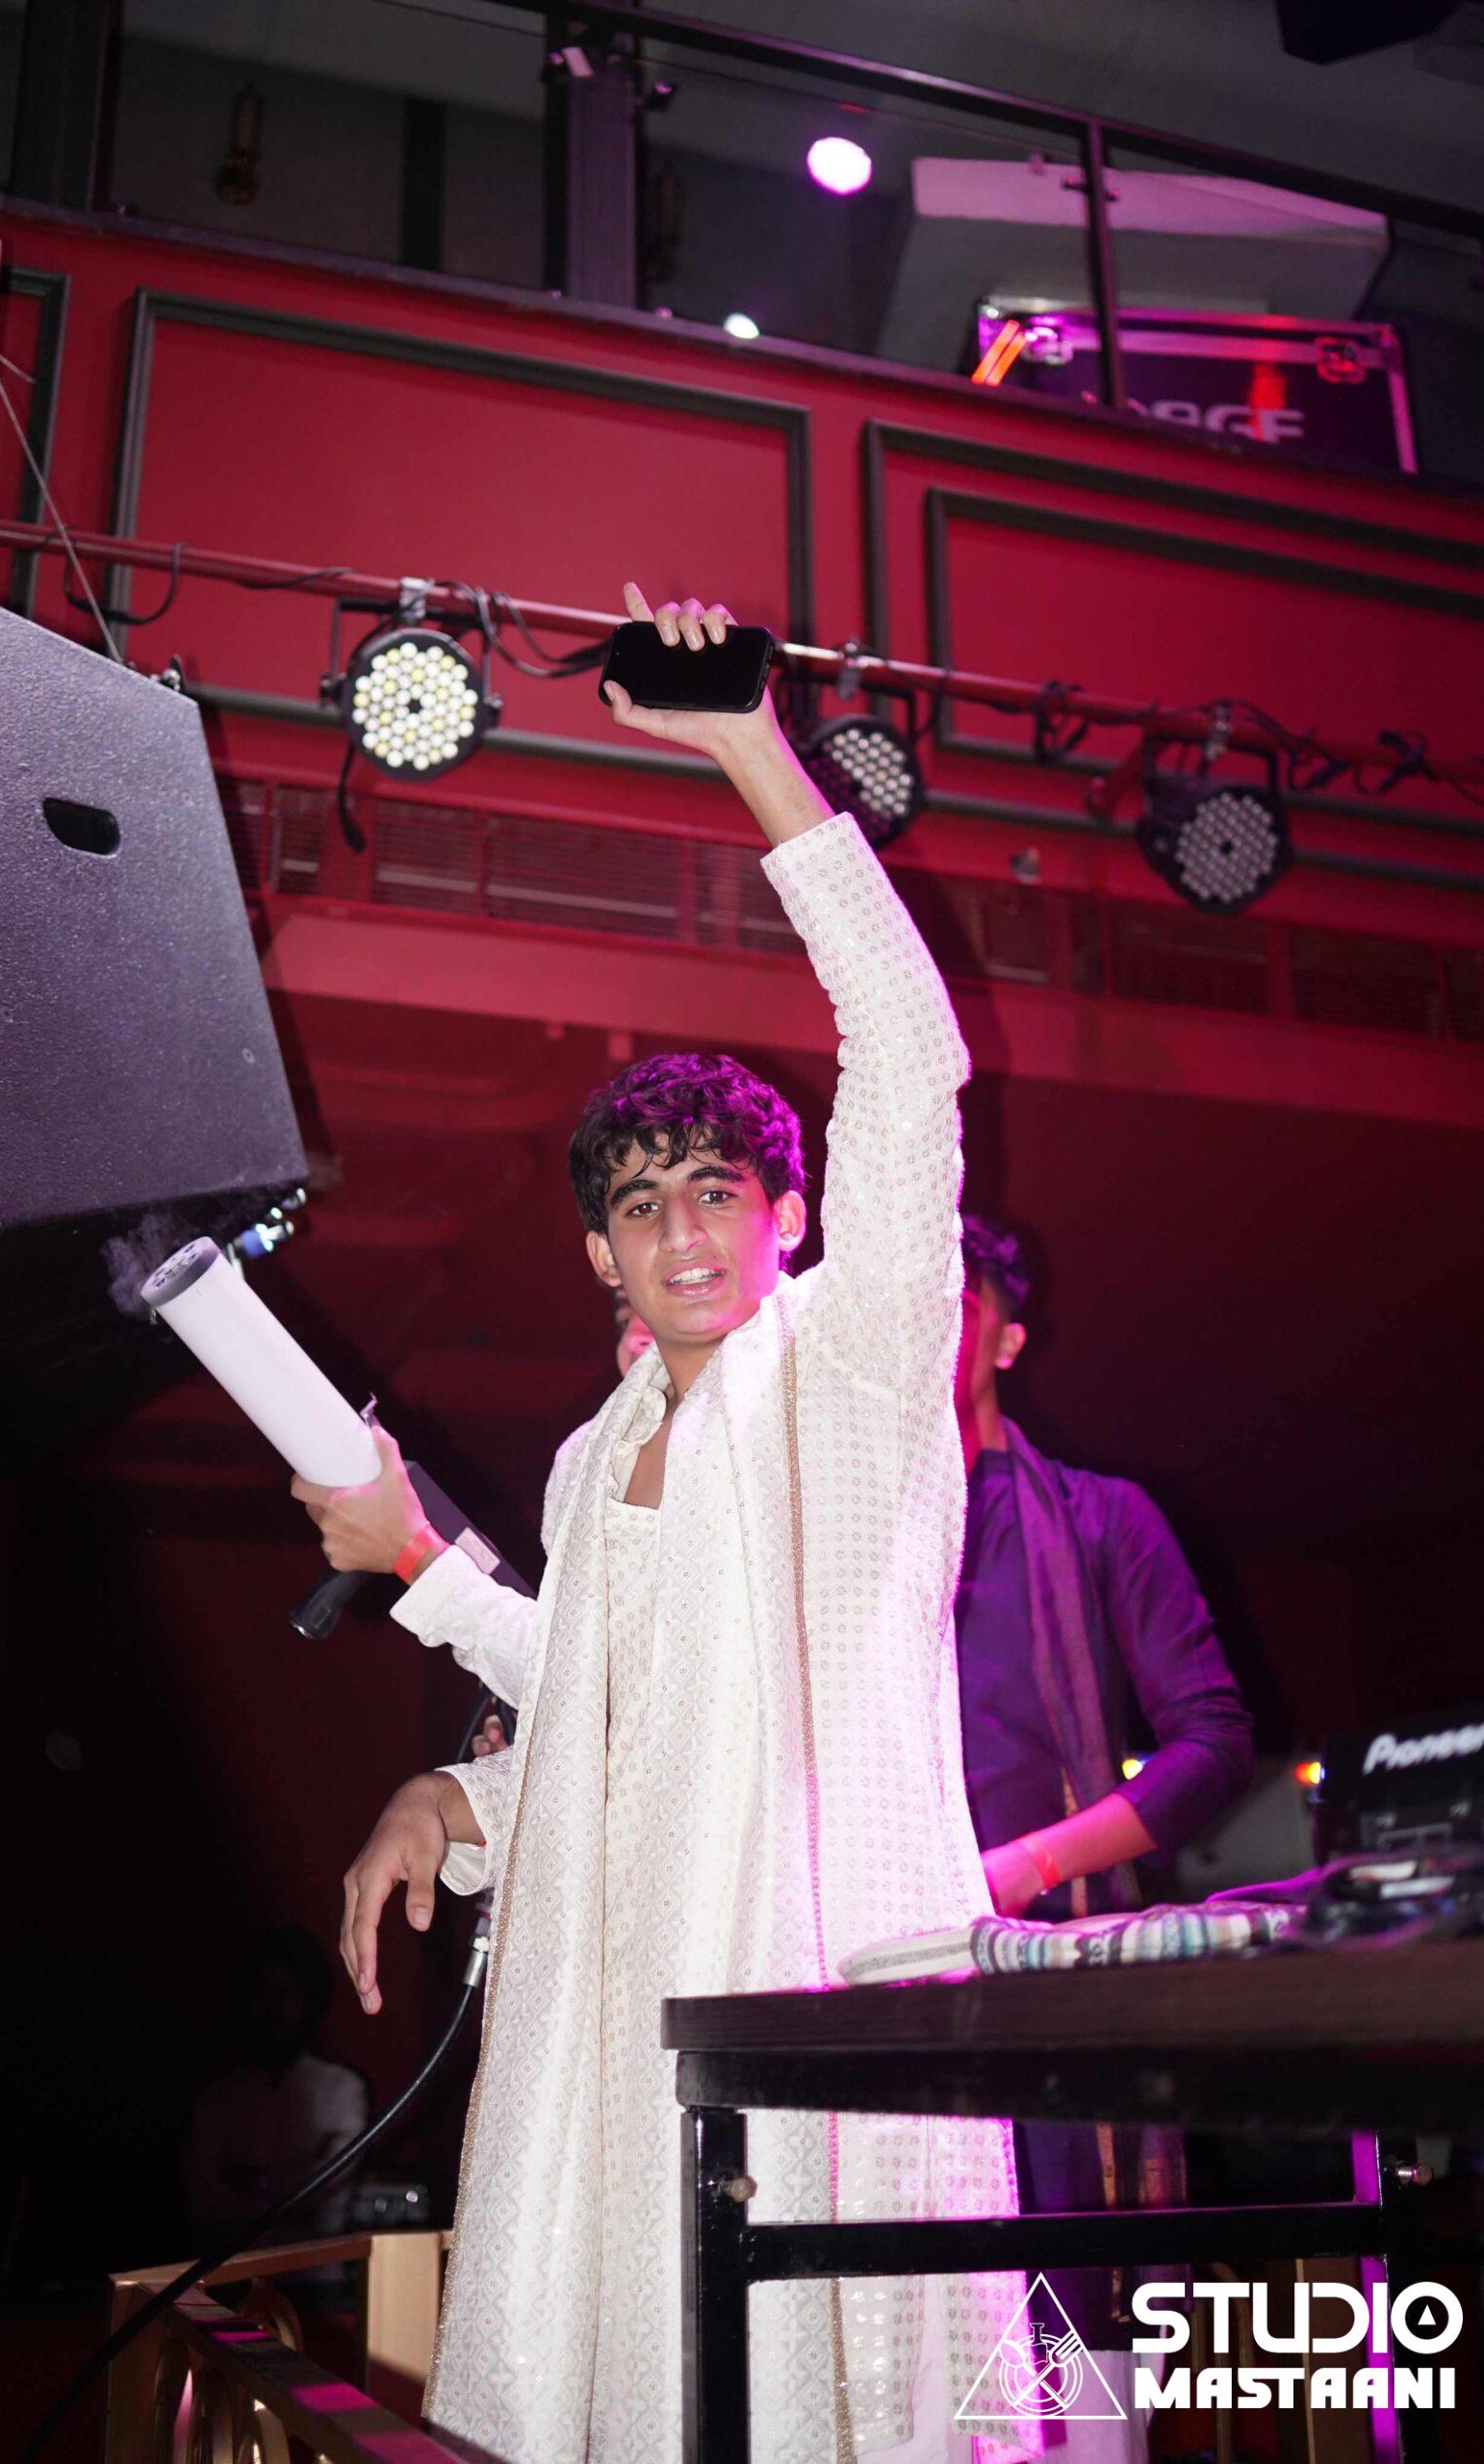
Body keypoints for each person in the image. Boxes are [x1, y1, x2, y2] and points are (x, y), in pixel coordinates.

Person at [294, 582, 1030, 2464]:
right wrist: (453, 1778)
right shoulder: (590, 1451)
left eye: (715, 1188)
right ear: (597, 1254)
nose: (683, 1227)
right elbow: (619, 1714)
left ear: (784, 1215)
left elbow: (906, 1050)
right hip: (610, 2057)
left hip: (808, 2026)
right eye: (640, 1203)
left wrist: (744, 746)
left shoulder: (852, 1363)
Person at [953, 1213, 1255, 2457]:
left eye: (951, 1302)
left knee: (1079, 2394)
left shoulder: (1098, 1518)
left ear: (1005, 1339)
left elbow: (1210, 1740)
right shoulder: (837, 1543)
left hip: (1052, 2003)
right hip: (878, 1993)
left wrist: (1030, 1864)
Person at [183, 1925, 369, 2252]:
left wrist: (254, 2183)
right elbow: (202, 2200)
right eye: (262, 1993)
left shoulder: (342, 2089)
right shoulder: (219, 2097)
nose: (272, 2008)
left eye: (285, 1993)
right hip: (234, 2270)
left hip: (319, 2272)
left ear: (307, 2000)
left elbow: (323, 2188)